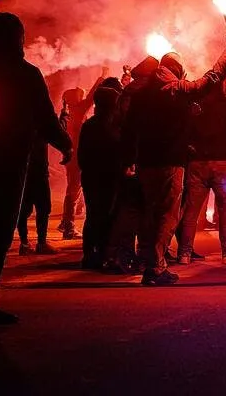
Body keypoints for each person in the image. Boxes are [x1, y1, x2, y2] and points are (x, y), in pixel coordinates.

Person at [0, 13, 73, 325]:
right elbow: (46, 119)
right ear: (17, 40)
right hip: (10, 162)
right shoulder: (25, 74)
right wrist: (65, 143)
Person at [123, 33, 226, 286]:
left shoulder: (143, 95)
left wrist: (129, 159)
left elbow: (131, 128)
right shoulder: (173, 89)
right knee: (167, 215)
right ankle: (155, 267)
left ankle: (147, 261)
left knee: (149, 213)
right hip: (168, 163)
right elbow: (209, 80)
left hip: (144, 162)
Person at [103, 57, 160, 275]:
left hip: (130, 157)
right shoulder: (142, 93)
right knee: (136, 209)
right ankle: (125, 255)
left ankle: (122, 254)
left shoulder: (129, 91)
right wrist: (132, 158)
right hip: (137, 159)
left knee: (130, 208)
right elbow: (134, 130)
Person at [177, 81, 226, 264]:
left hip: (198, 162)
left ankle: (184, 253)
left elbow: (185, 130)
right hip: (223, 161)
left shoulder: (196, 106)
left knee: (191, 211)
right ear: (223, 87)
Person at [76, 77, 123, 270]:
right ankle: (100, 254)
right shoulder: (112, 126)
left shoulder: (90, 125)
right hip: (107, 177)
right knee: (106, 216)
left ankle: (91, 254)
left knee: (94, 215)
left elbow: (82, 155)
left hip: (92, 176)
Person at [57, 74, 104, 240]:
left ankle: (65, 221)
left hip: (72, 157)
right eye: (79, 95)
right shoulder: (77, 111)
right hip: (78, 158)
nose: (82, 96)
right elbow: (91, 97)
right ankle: (68, 226)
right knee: (74, 192)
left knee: (73, 190)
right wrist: (102, 78)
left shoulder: (67, 114)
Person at [17, 135, 59, 255]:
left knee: (23, 209)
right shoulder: (40, 120)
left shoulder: (18, 121)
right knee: (43, 207)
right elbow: (54, 133)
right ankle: (41, 243)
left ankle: (24, 243)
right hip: (38, 171)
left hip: (23, 171)